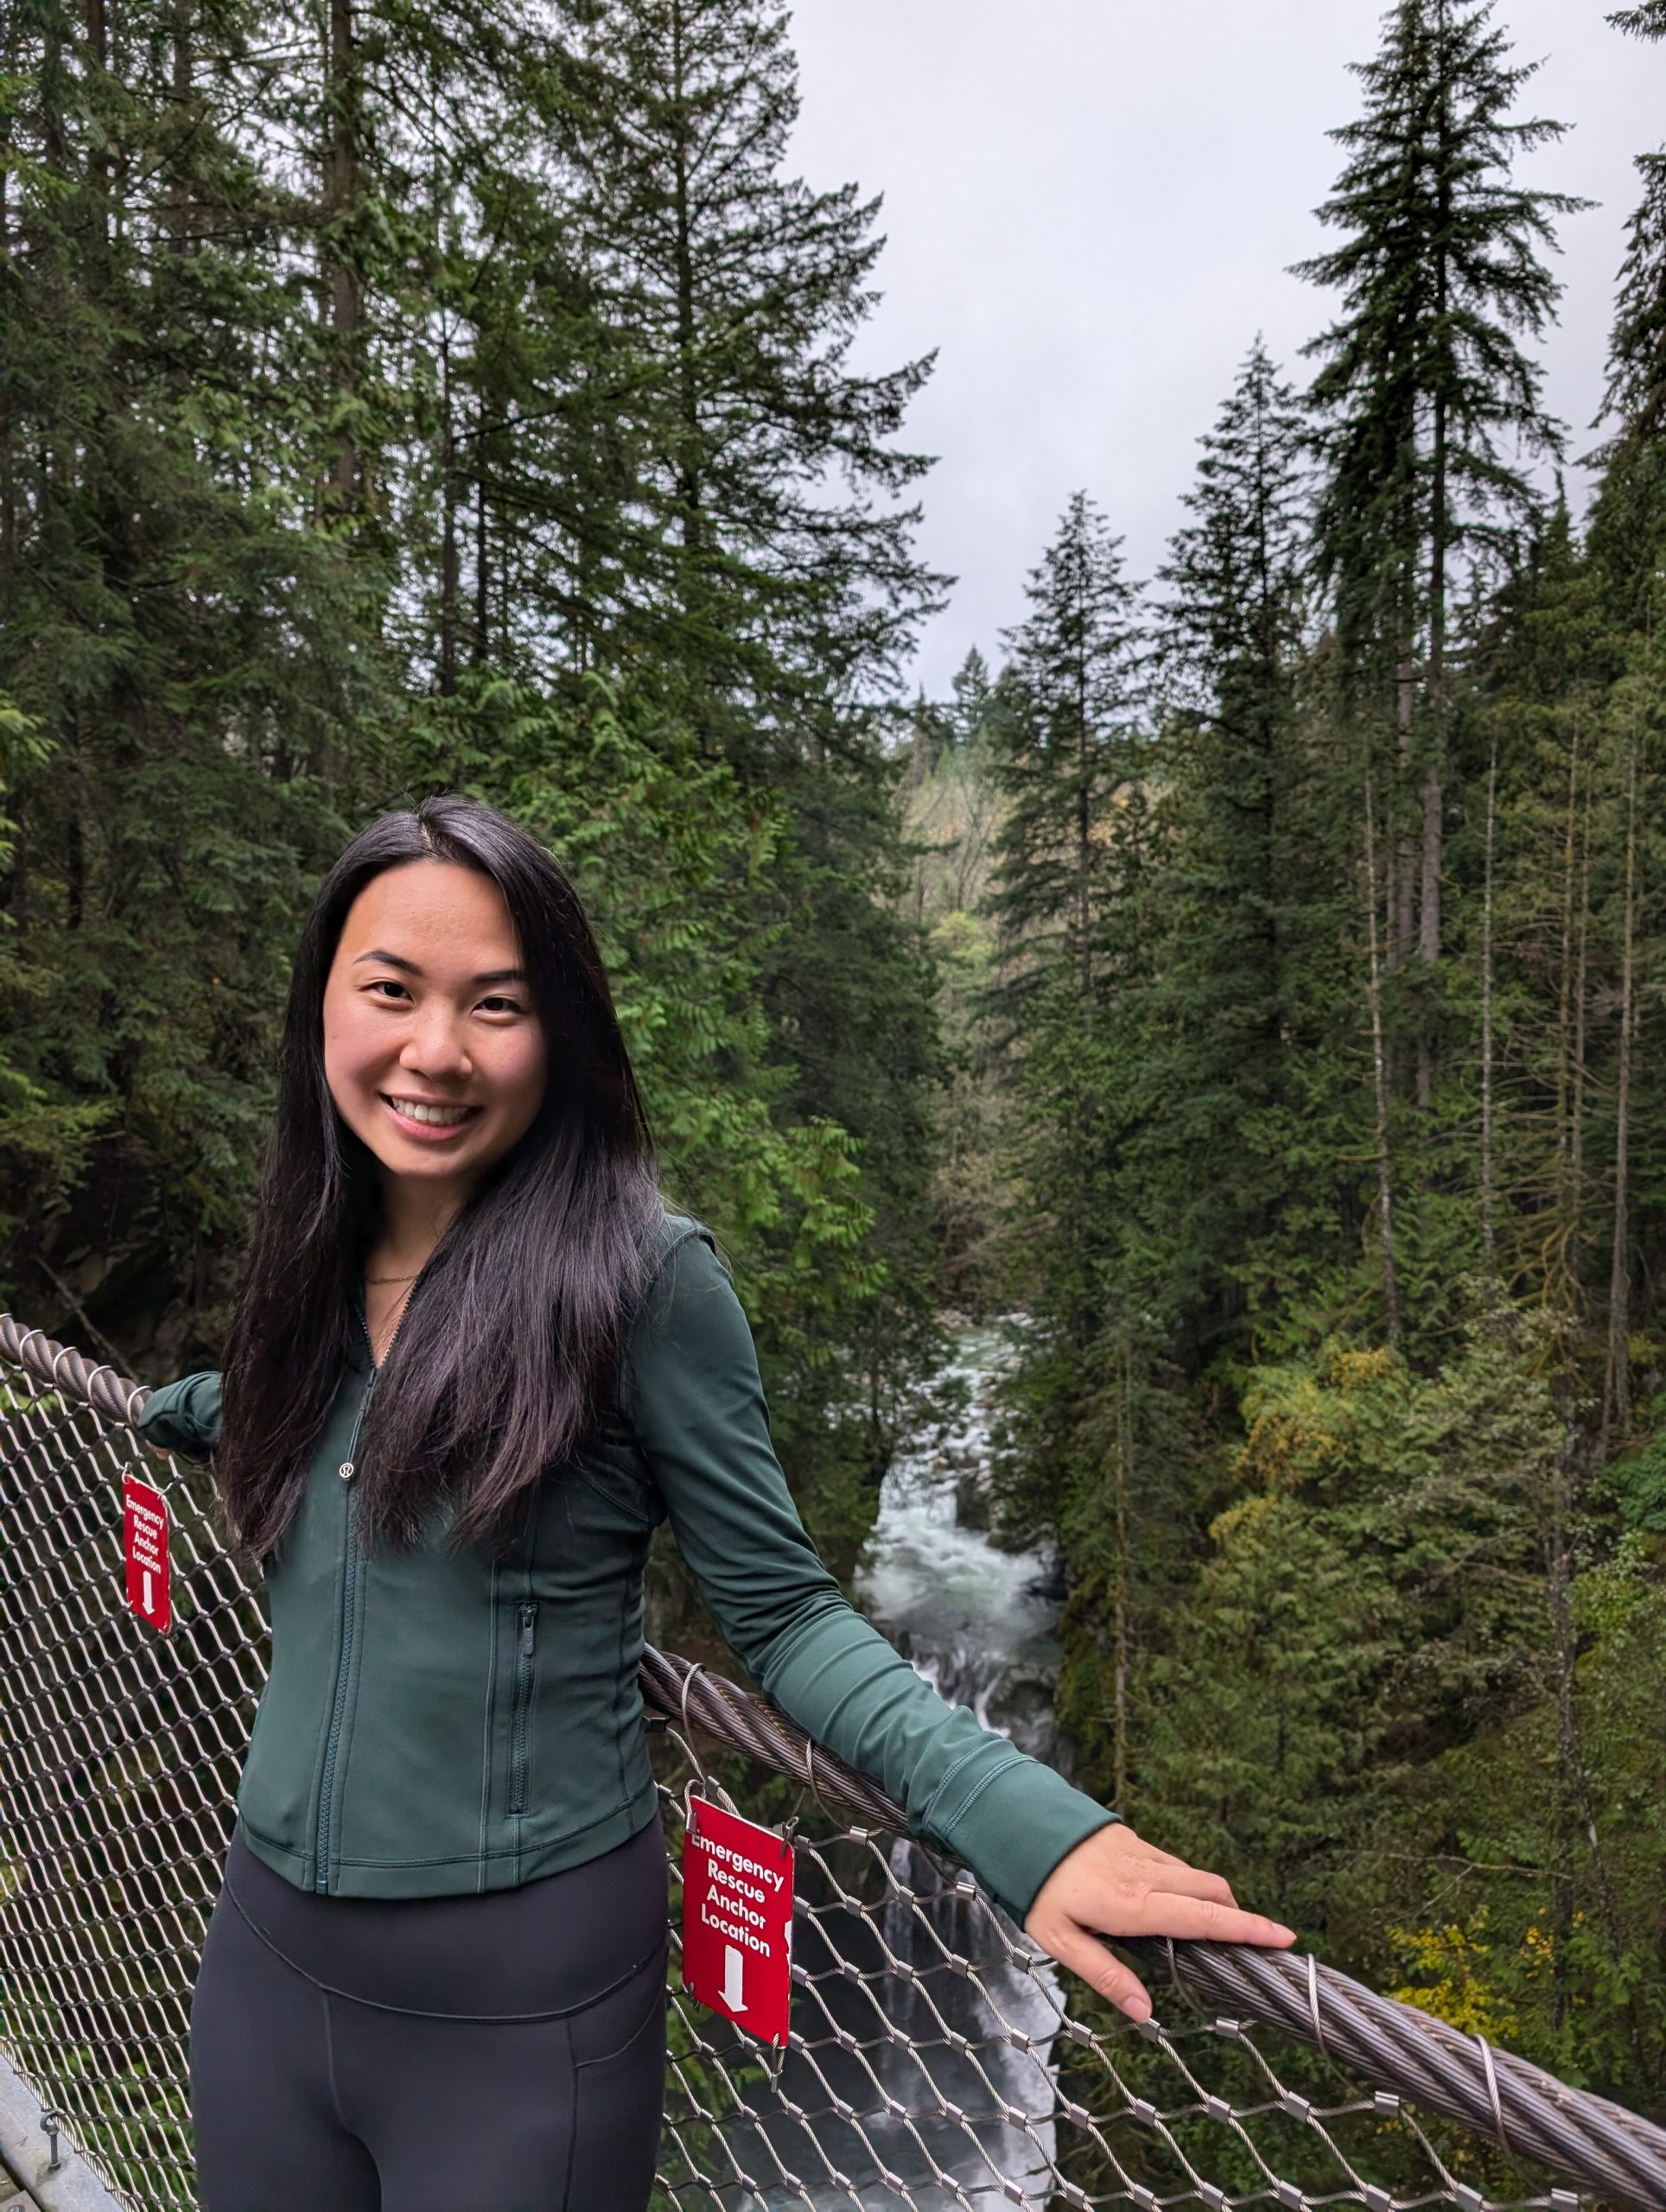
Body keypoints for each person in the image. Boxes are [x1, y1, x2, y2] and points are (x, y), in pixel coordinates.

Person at [139, 795, 1294, 2212]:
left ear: (561, 1032)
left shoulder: (639, 1281)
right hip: (263, 1965)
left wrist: (1022, 1823)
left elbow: (787, 1612)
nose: (434, 1050)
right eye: (391, 991)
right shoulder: (311, 1254)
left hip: (519, 2011)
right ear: (323, 1002)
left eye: (495, 1004)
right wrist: (192, 1404)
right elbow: (341, 1418)